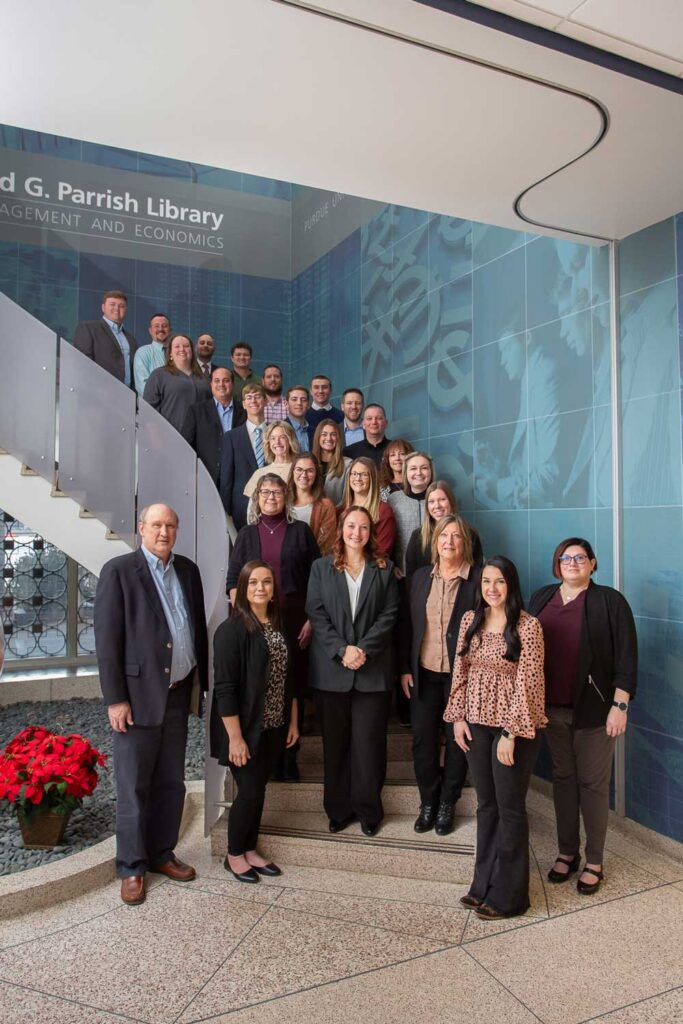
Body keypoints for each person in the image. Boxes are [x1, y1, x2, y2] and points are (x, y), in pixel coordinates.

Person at [94, 503, 208, 906]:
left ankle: (162, 854)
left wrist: (202, 685)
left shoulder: (188, 571)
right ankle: (131, 866)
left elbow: (196, 627)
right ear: (141, 528)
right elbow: (107, 643)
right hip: (137, 699)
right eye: (156, 525)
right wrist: (116, 699)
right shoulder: (120, 571)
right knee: (133, 786)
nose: (164, 532)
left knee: (170, 782)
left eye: (171, 525)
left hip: (178, 693)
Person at [528, 538, 637, 896]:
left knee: (592, 784)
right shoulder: (542, 597)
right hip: (551, 710)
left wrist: (619, 706)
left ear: (592, 563)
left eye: (580, 557)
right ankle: (566, 852)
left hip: (595, 713)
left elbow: (626, 658)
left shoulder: (610, 601)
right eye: (565, 557)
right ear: (556, 564)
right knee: (563, 779)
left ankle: (594, 860)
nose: (572, 563)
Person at [444, 556, 546, 920]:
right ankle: (482, 884)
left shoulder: (528, 626)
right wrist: (457, 718)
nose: (492, 588)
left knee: (510, 808)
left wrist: (510, 732)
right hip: (475, 724)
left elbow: (529, 683)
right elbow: (461, 670)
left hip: (511, 731)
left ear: (511, 585)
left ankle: (511, 895)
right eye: (486, 581)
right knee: (486, 805)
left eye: (499, 581)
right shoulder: (472, 620)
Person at [306, 505, 400, 835]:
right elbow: (316, 614)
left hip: (372, 673)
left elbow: (389, 615)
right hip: (332, 673)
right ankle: (338, 809)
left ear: (370, 533)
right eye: (350, 526)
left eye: (363, 527)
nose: (356, 533)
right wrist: (341, 650)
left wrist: (364, 650)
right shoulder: (320, 568)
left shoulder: (384, 569)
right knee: (336, 746)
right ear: (341, 529)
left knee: (369, 746)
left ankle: (369, 811)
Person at [210, 560, 299, 883]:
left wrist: (293, 721)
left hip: (274, 725)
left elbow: (289, 679)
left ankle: (249, 849)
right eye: (253, 583)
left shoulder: (278, 626)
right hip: (243, 730)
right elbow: (225, 690)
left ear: (274, 590)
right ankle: (234, 854)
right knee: (247, 790)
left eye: (266, 582)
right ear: (243, 590)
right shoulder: (231, 630)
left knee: (258, 789)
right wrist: (235, 738)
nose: (260, 588)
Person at [227, 474, 320, 779]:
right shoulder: (246, 534)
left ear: (286, 496)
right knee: (261, 685)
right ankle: (263, 755)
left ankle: (289, 757)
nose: (270, 496)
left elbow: (316, 578)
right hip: (256, 622)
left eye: (277, 491)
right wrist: (243, 616)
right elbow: (232, 581)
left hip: (293, 618)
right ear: (256, 498)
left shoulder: (301, 531)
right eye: (265, 492)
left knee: (289, 684)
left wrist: (311, 619)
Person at [401, 516, 480, 836]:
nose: (449, 541)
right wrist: (405, 668)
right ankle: (428, 802)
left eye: (456, 536)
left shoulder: (477, 581)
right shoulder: (420, 577)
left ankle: (448, 801)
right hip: (424, 673)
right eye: (443, 536)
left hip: (460, 678)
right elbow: (407, 624)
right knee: (422, 740)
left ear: (466, 543)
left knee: (458, 740)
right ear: (435, 543)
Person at [180, 367, 246, 486]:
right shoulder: (196, 411)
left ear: (233, 384)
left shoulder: (245, 412)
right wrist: (191, 472)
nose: (221, 384)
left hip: (237, 478)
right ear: (211, 384)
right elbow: (186, 446)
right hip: (205, 477)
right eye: (217, 380)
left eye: (226, 380)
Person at [405, 480, 483, 576]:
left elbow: (476, 572)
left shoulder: (469, 534)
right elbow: (411, 576)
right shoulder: (417, 536)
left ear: (451, 501)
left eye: (442, 499)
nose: (437, 506)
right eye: (431, 501)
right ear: (427, 506)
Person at [219, 383, 267, 530]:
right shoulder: (232, 437)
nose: (253, 400)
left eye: (258, 396)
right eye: (249, 398)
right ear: (244, 404)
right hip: (242, 507)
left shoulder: (276, 433)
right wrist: (227, 512)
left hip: (274, 502)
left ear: (265, 402)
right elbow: (226, 478)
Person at [143, 335, 211, 433]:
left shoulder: (203, 378)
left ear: (192, 352)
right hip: (170, 437)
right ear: (170, 353)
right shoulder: (159, 375)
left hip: (200, 438)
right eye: (177, 346)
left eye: (186, 346)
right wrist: (154, 438)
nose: (182, 349)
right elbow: (148, 411)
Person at [73, 289, 138, 386]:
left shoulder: (131, 339)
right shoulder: (88, 328)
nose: (117, 308)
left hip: (127, 395)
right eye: (112, 304)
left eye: (121, 306)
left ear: (126, 310)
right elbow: (83, 364)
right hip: (99, 393)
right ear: (103, 308)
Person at [339, 457, 396, 559]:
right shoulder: (339, 510)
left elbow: (382, 551)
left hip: (371, 569)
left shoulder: (383, 510)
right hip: (342, 567)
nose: (358, 478)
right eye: (354, 473)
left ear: (372, 478)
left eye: (364, 474)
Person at [389, 451, 435, 576]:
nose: (418, 473)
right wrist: (391, 564)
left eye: (424, 468)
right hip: (403, 571)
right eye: (413, 468)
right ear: (406, 472)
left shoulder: (439, 498)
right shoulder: (394, 499)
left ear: (431, 471)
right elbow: (389, 536)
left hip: (437, 570)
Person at [289, 453, 337, 556]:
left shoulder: (325, 506)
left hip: (312, 564)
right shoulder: (282, 502)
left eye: (310, 471)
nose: (304, 475)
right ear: (293, 471)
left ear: (316, 474)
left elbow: (327, 546)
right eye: (299, 469)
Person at [243, 420, 300, 498]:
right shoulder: (260, 473)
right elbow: (252, 506)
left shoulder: (300, 470)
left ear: (291, 440)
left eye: (283, 437)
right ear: (268, 443)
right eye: (273, 438)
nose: (277, 442)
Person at [312, 419, 351, 505]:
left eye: (333, 434)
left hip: (337, 513)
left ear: (338, 438)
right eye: (324, 434)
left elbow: (348, 497)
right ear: (318, 437)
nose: (329, 438)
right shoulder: (309, 462)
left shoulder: (347, 464)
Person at [133, 313, 172, 396]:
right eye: (157, 326)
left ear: (170, 330)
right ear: (150, 331)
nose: (161, 329)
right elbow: (143, 387)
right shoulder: (143, 352)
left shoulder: (176, 353)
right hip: (151, 406)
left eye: (164, 326)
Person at [286, 385, 311, 452]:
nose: (299, 403)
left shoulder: (314, 431)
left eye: (303, 400)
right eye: (294, 399)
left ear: (308, 405)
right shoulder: (280, 429)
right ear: (286, 404)